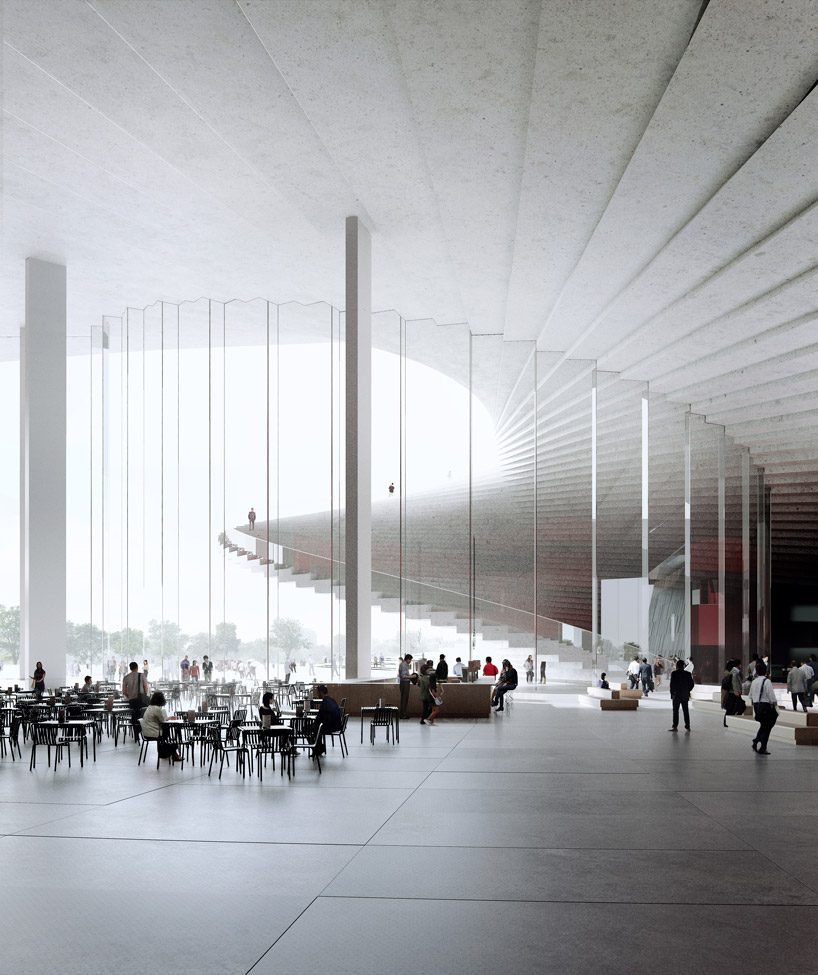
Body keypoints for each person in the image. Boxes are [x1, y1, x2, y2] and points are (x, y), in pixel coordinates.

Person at [140, 692, 183, 763]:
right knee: (171, 736)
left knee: (168, 735)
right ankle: (173, 752)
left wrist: (168, 718)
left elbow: (160, 720)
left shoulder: (150, 707)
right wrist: (169, 718)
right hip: (154, 733)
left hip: (147, 732)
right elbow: (162, 721)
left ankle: (167, 753)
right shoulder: (157, 709)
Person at [749, 661, 778, 755]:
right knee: (767, 727)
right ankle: (762, 747)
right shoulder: (767, 681)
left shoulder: (754, 681)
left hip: (757, 707)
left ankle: (757, 741)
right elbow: (771, 696)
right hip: (766, 707)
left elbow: (750, 696)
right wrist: (775, 705)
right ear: (766, 671)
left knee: (764, 726)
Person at [313, 684, 342, 754]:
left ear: (321, 692)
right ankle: (318, 747)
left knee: (309, 729)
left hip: (330, 727)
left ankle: (316, 748)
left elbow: (319, 717)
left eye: (318, 693)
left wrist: (313, 723)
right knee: (316, 728)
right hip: (337, 725)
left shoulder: (324, 702)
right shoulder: (331, 700)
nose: (317, 694)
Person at [122, 661, 148, 738]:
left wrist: (129, 696)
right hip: (140, 699)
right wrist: (145, 695)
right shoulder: (142, 675)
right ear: (137, 667)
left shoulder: (126, 677)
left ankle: (135, 732)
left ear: (130, 668)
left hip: (132, 700)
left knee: (134, 715)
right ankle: (141, 730)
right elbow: (145, 687)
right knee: (141, 715)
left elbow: (124, 691)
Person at [669, 658, 694, 733]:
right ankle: (687, 726)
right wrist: (687, 691)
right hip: (685, 695)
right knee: (685, 711)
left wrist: (672, 694)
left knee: (675, 711)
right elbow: (692, 684)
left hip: (676, 695)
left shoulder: (674, 673)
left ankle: (675, 726)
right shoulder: (688, 674)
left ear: (677, 666)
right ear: (683, 666)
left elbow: (672, 685)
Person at [397, 654, 414, 719]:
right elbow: (403, 676)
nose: (410, 661)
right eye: (410, 660)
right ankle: (402, 714)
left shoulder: (403, 664)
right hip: (405, 683)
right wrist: (412, 676)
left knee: (404, 698)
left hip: (404, 683)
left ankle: (403, 713)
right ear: (407, 659)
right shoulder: (404, 665)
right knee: (404, 699)